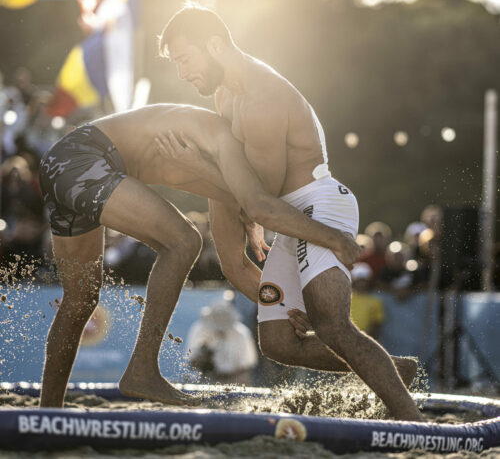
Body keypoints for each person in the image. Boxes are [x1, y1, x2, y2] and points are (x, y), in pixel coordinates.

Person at [159, 4, 423, 421]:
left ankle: (415, 425)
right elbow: (250, 191)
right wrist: (250, 216)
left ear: (215, 45)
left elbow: (257, 196)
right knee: (278, 341)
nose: (181, 73)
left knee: (332, 324)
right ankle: (394, 370)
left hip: (319, 205)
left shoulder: (262, 97)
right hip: (286, 211)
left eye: (184, 59)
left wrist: (202, 175)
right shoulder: (226, 93)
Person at [38, 103, 359, 408]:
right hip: (84, 159)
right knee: (184, 241)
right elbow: (262, 205)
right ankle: (143, 368)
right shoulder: (226, 140)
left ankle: (47, 412)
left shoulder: (229, 179)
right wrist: (330, 237)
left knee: (79, 301)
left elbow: (236, 267)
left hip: (63, 163)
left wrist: (288, 308)